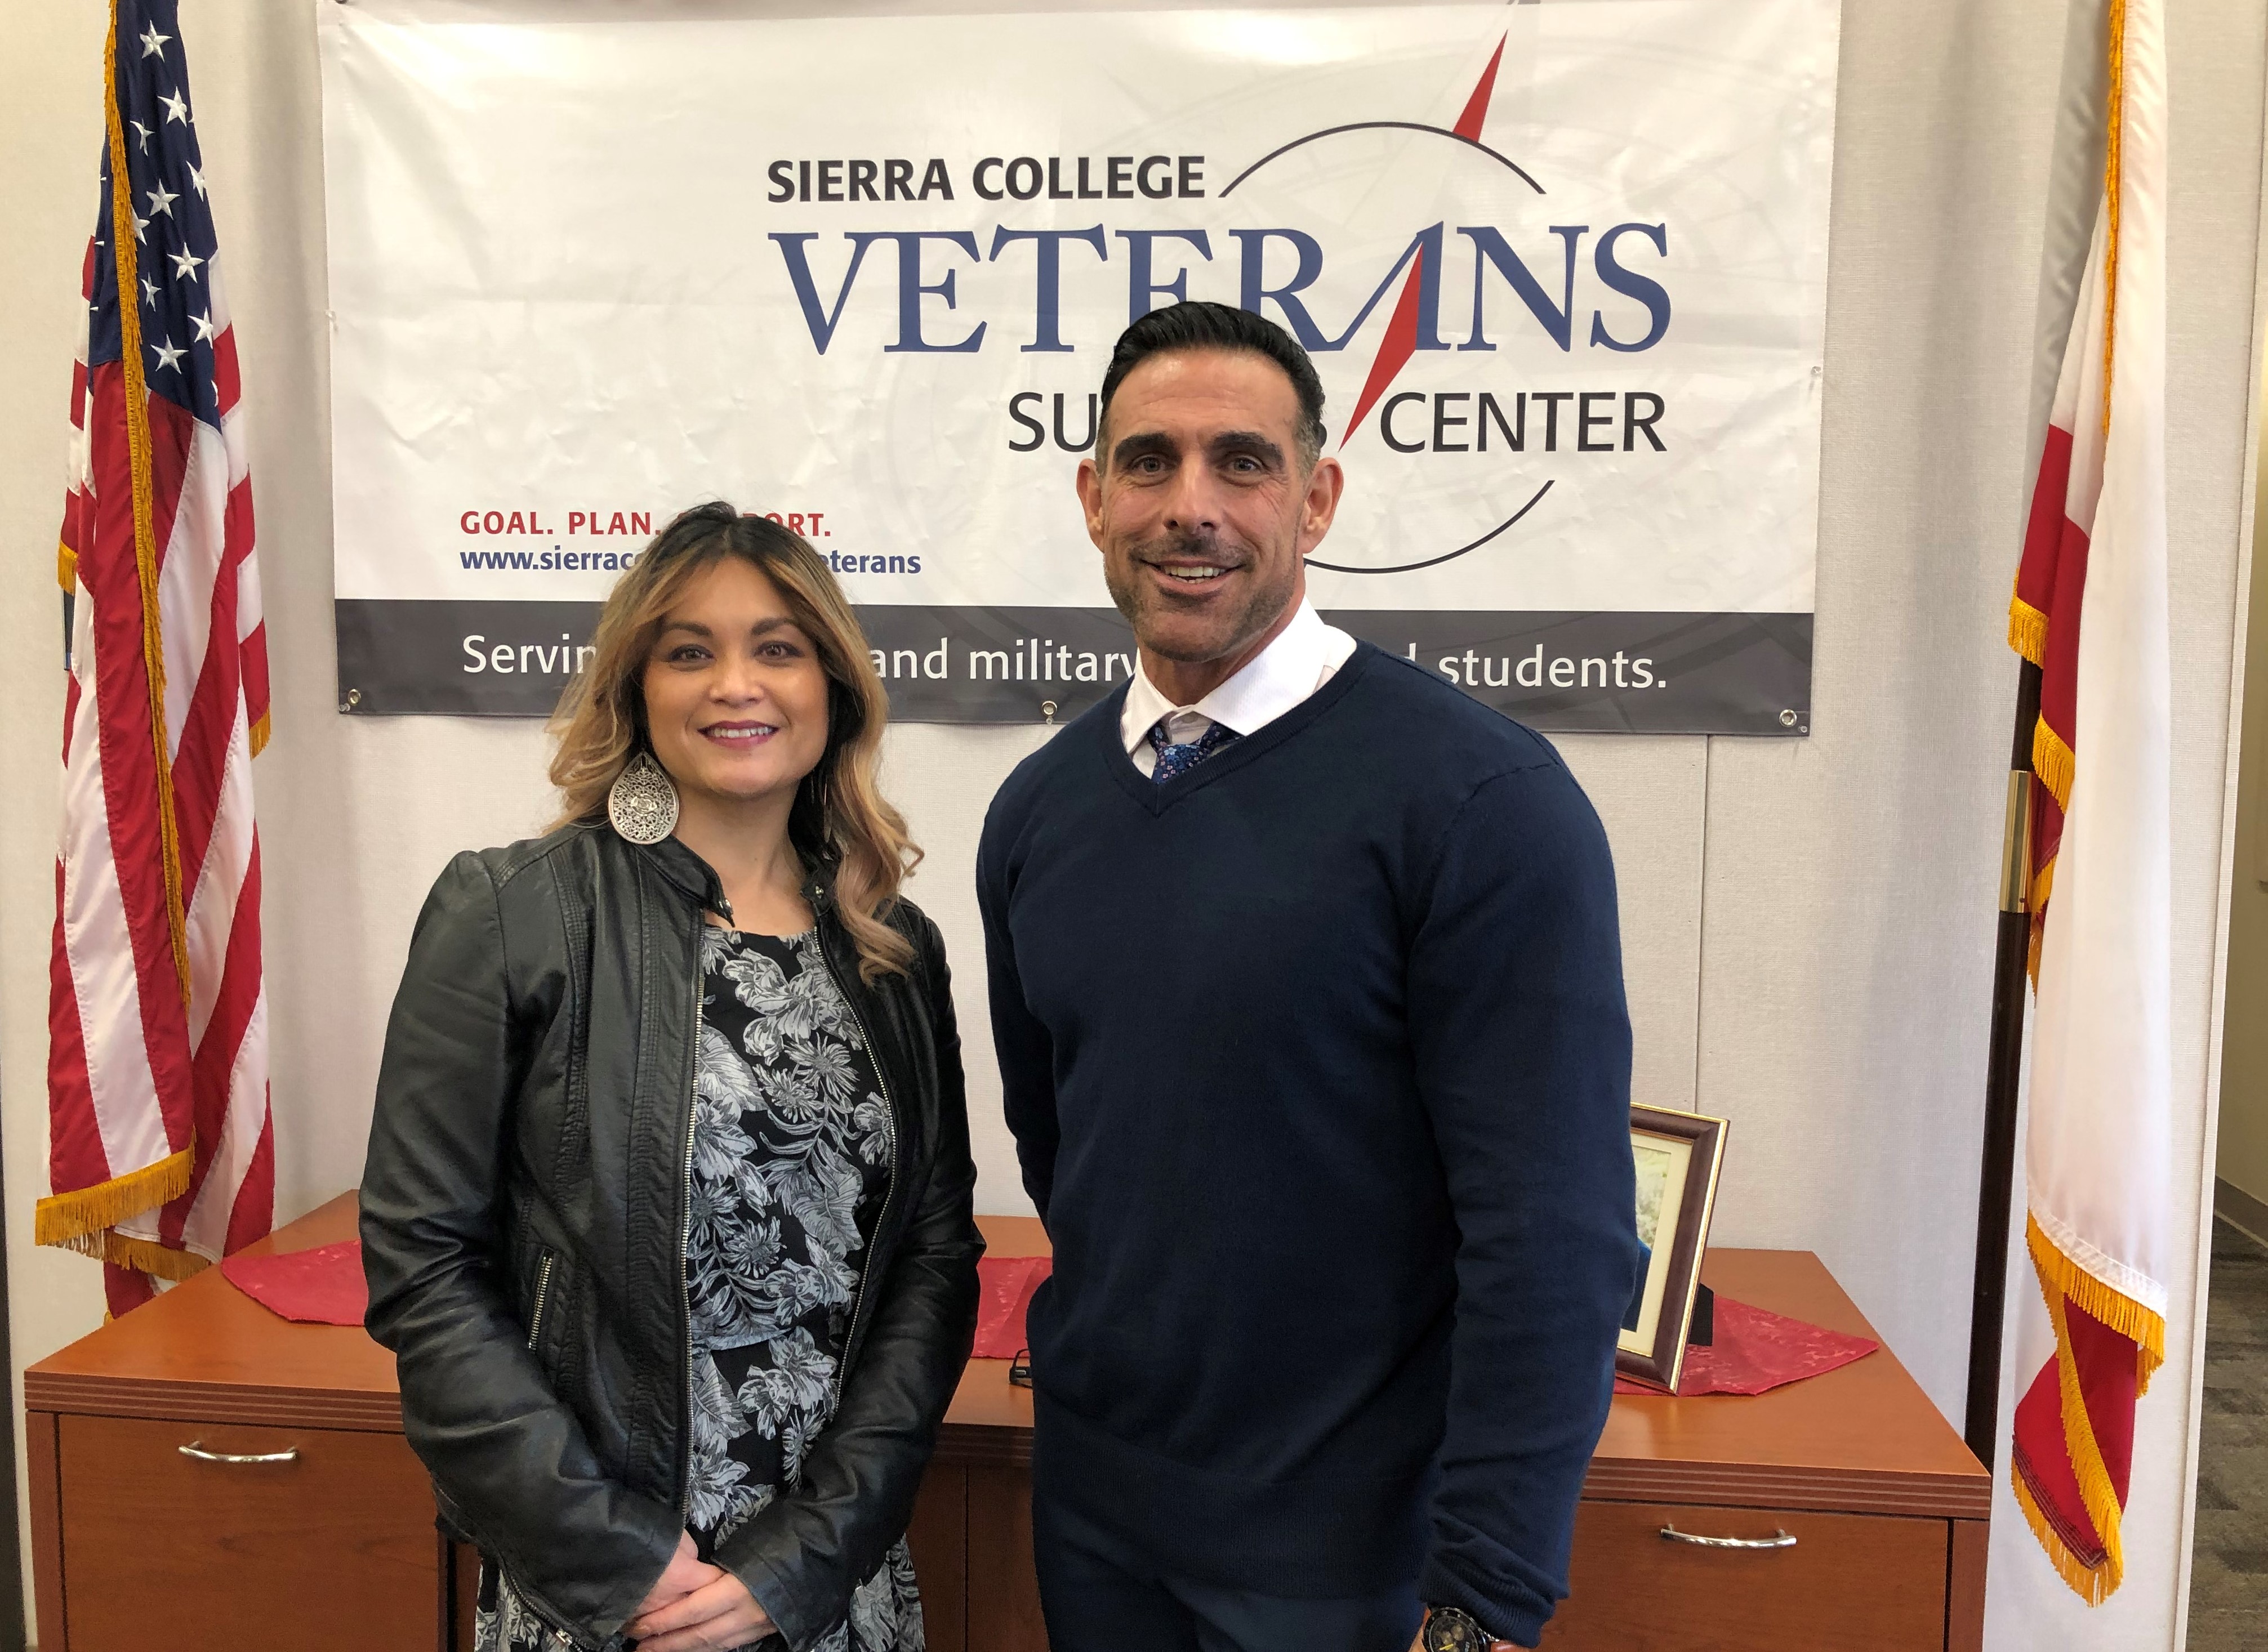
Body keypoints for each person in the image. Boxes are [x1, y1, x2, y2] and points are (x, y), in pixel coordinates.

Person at [977, 302, 1639, 1652]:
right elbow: (1070, 1159)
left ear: (1317, 498)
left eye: (1242, 462)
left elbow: (1554, 1234)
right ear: (1092, 499)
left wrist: (1488, 1593)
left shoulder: (1480, 802)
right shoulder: (1038, 811)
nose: (1191, 507)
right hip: (1101, 1527)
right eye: (1149, 463)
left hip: (1355, 1561)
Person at [362, 503, 982, 1652]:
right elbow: (421, 1266)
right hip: (608, 1587)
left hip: (830, 1578)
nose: (734, 684)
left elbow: (935, 1261)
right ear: (636, 688)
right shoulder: (514, 912)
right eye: (688, 650)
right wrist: (620, 1561)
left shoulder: (897, 948)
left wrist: (805, 1561)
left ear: (833, 686)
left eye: (778, 647)